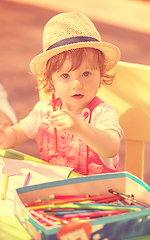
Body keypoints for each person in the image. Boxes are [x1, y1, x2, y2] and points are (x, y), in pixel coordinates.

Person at [0, 12, 123, 175]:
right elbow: (16, 134)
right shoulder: (44, 111)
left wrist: (81, 128)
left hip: (98, 196)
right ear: (50, 79)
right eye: (65, 75)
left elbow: (111, 148)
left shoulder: (102, 113)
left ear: (101, 73)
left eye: (86, 74)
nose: (77, 84)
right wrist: (4, 137)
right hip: (56, 195)